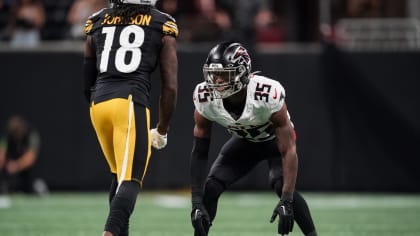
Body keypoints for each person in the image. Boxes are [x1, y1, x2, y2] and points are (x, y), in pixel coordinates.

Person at [190, 42, 317, 236]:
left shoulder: (265, 93)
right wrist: (196, 202)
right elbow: (199, 152)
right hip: (245, 142)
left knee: (279, 182)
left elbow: (289, 149)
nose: (216, 80)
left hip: (275, 142)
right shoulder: (204, 96)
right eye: (213, 74)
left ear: (242, 73)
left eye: (224, 74)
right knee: (211, 187)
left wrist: (287, 199)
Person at [83, 0, 178, 235]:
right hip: (129, 102)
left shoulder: (97, 20)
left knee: (119, 178)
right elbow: (170, 87)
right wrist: (163, 129)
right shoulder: (161, 22)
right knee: (131, 180)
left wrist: (98, 103)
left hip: (99, 104)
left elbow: (87, 77)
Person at [0, 115, 41, 194]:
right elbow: (1, 153)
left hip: (25, 168)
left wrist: (17, 165)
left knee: (31, 180)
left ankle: (37, 186)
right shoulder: (7, 134)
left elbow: (31, 156)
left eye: (17, 132)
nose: (16, 135)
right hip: (9, 163)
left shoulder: (31, 134)